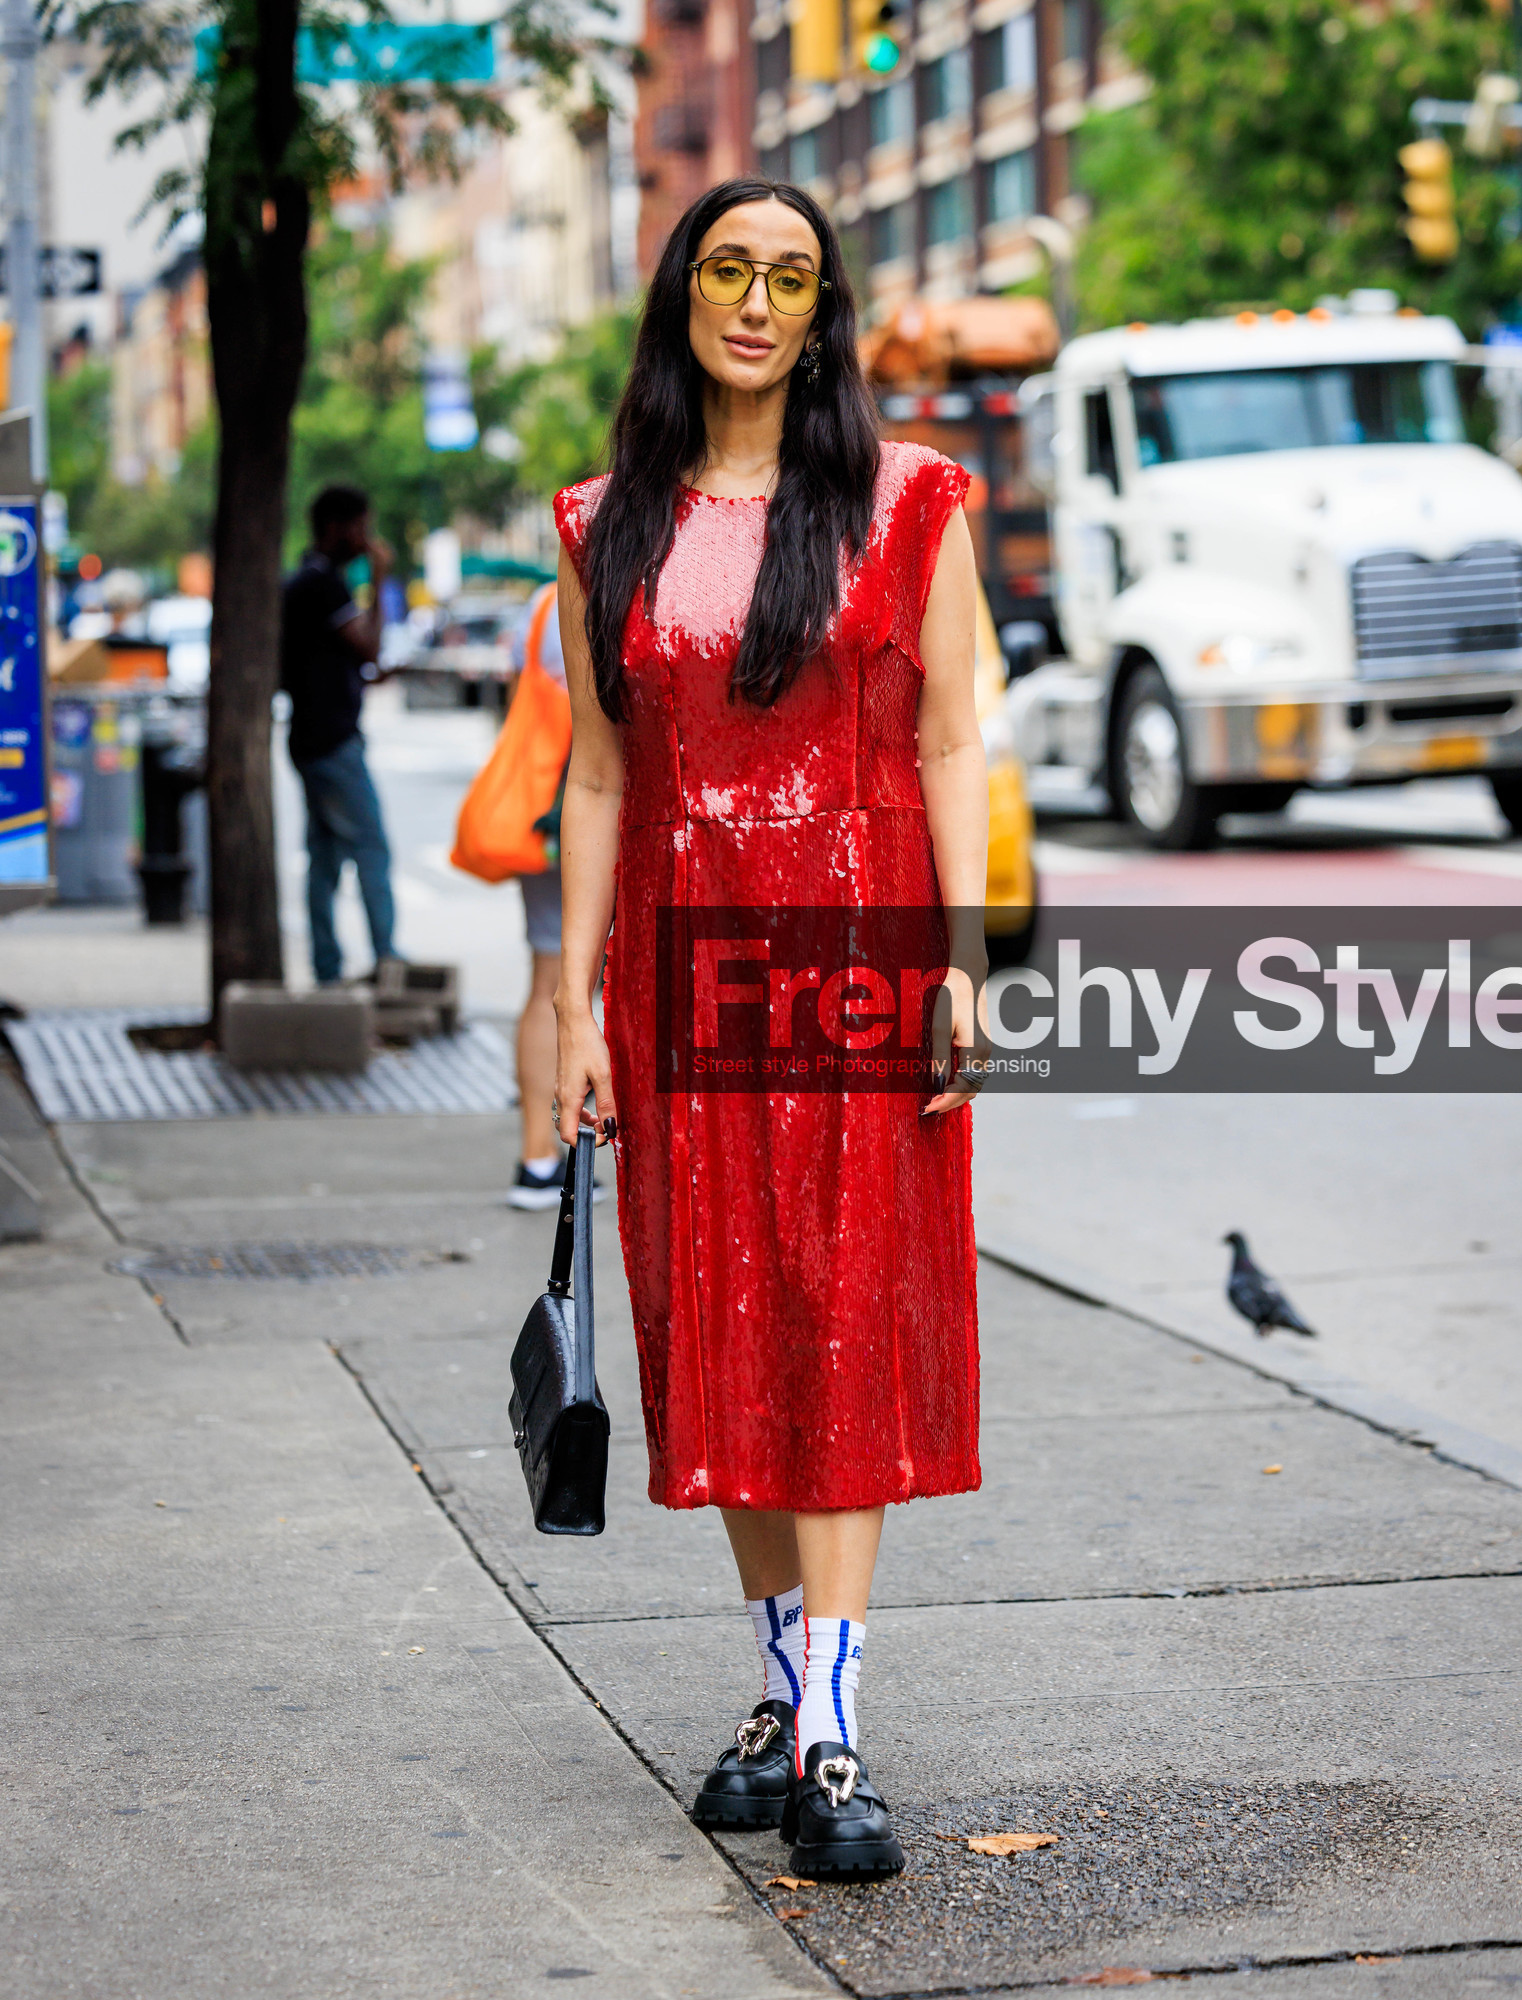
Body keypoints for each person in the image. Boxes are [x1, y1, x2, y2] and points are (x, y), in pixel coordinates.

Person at [552, 178, 988, 1877]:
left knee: (843, 1321)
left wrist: (964, 960)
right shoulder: (605, 523)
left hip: (860, 960)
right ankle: (775, 1688)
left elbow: (950, 739)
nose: (757, 300)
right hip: (679, 979)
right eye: (730, 269)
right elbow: (599, 773)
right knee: (723, 1323)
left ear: (822, 312)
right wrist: (581, 1004)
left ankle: (832, 1729)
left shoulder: (910, 500)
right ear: (684, 296)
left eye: (791, 277)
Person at [507, 584, 607, 1212]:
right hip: (598, 805)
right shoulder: (628, 580)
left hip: (541, 808)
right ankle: (584, 1147)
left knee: (549, 978)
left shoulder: (540, 606)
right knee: (600, 986)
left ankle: (536, 1158)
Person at [280, 484, 398, 986]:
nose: (366, 539)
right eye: (361, 527)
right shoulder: (322, 584)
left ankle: (326, 968)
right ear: (336, 527)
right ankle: (386, 958)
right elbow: (368, 646)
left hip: (312, 737)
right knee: (371, 846)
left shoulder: (307, 581)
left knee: (325, 858)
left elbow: (330, 662)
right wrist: (377, 581)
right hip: (331, 742)